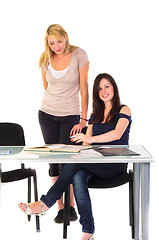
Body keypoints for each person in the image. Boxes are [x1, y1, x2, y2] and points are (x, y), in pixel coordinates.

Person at [19, 73, 132, 240]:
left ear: (114, 88)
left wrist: (90, 139)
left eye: (107, 86)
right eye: (100, 88)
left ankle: (45, 203)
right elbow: (86, 145)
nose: (104, 91)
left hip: (115, 163)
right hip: (96, 162)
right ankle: (88, 231)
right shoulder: (96, 114)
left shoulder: (124, 109)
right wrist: (78, 151)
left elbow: (117, 134)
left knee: (76, 166)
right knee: (78, 175)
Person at [38, 24, 89, 223]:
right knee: (53, 161)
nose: (56, 46)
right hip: (47, 114)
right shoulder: (44, 58)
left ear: (66, 37)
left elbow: (84, 89)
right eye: (52, 43)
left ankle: (70, 207)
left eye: (59, 41)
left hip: (70, 116)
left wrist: (84, 119)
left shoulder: (79, 55)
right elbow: (47, 86)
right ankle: (61, 209)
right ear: (47, 43)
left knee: (67, 161)